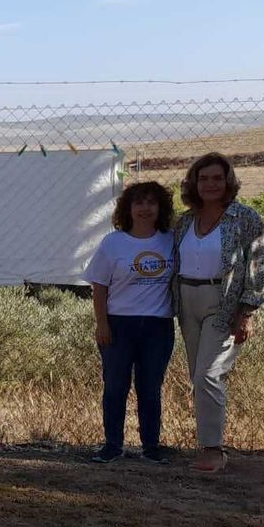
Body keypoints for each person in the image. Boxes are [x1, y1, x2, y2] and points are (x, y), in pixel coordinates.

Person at [171, 152, 264, 473]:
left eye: (217, 178)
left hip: (223, 303)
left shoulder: (246, 219)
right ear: (194, 183)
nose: (210, 184)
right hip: (187, 300)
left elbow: (257, 266)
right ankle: (204, 444)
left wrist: (247, 312)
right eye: (203, 179)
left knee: (209, 374)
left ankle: (213, 450)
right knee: (198, 378)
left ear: (228, 181)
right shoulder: (185, 221)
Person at [83, 180, 176, 464]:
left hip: (158, 326)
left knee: (150, 387)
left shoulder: (171, 240)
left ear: (160, 208)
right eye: (138, 202)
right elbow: (99, 286)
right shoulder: (113, 243)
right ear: (128, 208)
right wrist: (102, 324)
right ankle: (112, 445)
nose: (144, 208)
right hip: (118, 324)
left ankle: (151, 446)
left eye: (151, 202)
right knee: (115, 386)